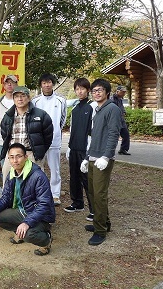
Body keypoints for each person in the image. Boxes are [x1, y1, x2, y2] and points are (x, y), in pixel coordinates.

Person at [0, 143, 55, 256]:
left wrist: (27, 223)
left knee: (29, 234)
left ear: (26, 157)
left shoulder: (38, 176)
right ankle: (19, 231)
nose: (15, 160)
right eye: (11, 157)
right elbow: (6, 197)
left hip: (41, 217)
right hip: (22, 212)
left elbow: (44, 205)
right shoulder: (12, 173)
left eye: (18, 156)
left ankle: (46, 240)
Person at [80, 78, 121, 246]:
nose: (96, 93)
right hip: (93, 157)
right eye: (94, 91)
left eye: (100, 90)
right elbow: (94, 138)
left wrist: (106, 156)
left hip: (103, 159)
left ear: (107, 93)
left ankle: (100, 231)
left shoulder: (112, 108)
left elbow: (113, 134)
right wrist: (86, 157)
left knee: (99, 195)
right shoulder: (97, 109)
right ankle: (105, 222)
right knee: (92, 192)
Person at [0, 86, 53, 186]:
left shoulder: (41, 115)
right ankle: (10, 202)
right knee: (8, 183)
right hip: (12, 155)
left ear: (28, 98)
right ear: (13, 99)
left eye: (23, 96)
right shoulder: (8, 116)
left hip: (31, 154)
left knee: (34, 185)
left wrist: (39, 151)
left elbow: (48, 136)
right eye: (16, 96)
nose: (20, 99)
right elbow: (4, 134)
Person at [32, 73, 67, 206]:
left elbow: (62, 119)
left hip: (55, 139)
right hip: (39, 140)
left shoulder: (61, 100)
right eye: (44, 82)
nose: (47, 85)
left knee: (55, 167)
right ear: (41, 85)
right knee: (38, 167)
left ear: (53, 83)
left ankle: (55, 194)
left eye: (49, 82)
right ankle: (39, 193)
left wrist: (56, 130)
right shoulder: (35, 101)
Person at [64, 78, 94, 221]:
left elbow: (93, 131)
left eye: (82, 88)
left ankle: (94, 209)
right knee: (74, 177)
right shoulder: (75, 108)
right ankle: (77, 203)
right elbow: (72, 128)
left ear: (88, 90)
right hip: (74, 147)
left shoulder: (92, 106)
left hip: (85, 148)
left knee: (87, 179)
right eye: (77, 89)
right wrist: (69, 147)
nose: (79, 91)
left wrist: (90, 150)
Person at [0, 74, 16, 167]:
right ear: (3, 85)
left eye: (12, 83)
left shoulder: (20, 100)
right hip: (1, 140)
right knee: (4, 167)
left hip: (17, 140)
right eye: (7, 83)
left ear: (16, 84)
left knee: (18, 167)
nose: (9, 85)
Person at [111, 85, 131, 155]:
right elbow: (113, 110)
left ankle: (123, 149)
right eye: (122, 92)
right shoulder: (112, 99)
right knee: (113, 136)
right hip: (115, 121)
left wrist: (124, 112)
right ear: (117, 91)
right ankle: (109, 150)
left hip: (121, 120)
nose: (124, 93)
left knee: (126, 135)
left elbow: (121, 108)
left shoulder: (120, 99)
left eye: (124, 92)